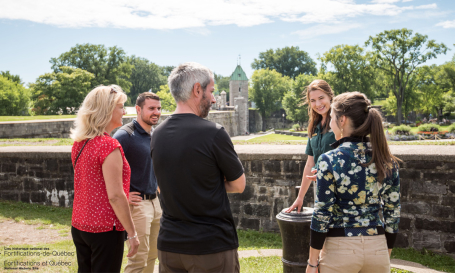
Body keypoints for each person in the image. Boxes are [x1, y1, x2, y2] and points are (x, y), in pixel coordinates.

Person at [151, 62, 246, 273]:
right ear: (197, 89)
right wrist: (210, 182)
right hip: (210, 246)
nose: (213, 98)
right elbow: (239, 185)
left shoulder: (156, 134)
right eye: (211, 91)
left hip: (170, 245)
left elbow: (160, 186)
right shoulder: (214, 132)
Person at [306, 92, 401, 273]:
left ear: (342, 120)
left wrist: (312, 262)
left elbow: (322, 213)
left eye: (332, 118)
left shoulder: (329, 159)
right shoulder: (387, 160)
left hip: (339, 250)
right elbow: (393, 212)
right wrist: (385, 253)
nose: (330, 124)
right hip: (378, 249)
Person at [70, 85, 140, 272]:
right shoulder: (108, 145)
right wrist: (132, 234)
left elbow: (92, 183)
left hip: (80, 225)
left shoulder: (80, 143)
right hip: (105, 229)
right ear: (107, 110)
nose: (124, 112)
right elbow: (115, 196)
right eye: (120, 106)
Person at [113, 92, 162, 273]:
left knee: (152, 256)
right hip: (137, 205)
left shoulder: (154, 133)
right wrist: (125, 193)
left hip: (155, 202)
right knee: (137, 261)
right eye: (151, 108)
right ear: (138, 109)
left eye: (158, 108)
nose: (156, 112)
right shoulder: (125, 136)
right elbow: (107, 170)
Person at [285, 80, 337, 213]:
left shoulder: (340, 122)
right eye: (312, 100)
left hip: (340, 190)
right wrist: (300, 197)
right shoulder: (314, 126)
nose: (318, 104)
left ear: (330, 96)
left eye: (321, 98)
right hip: (320, 190)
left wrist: (327, 173)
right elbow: (310, 164)